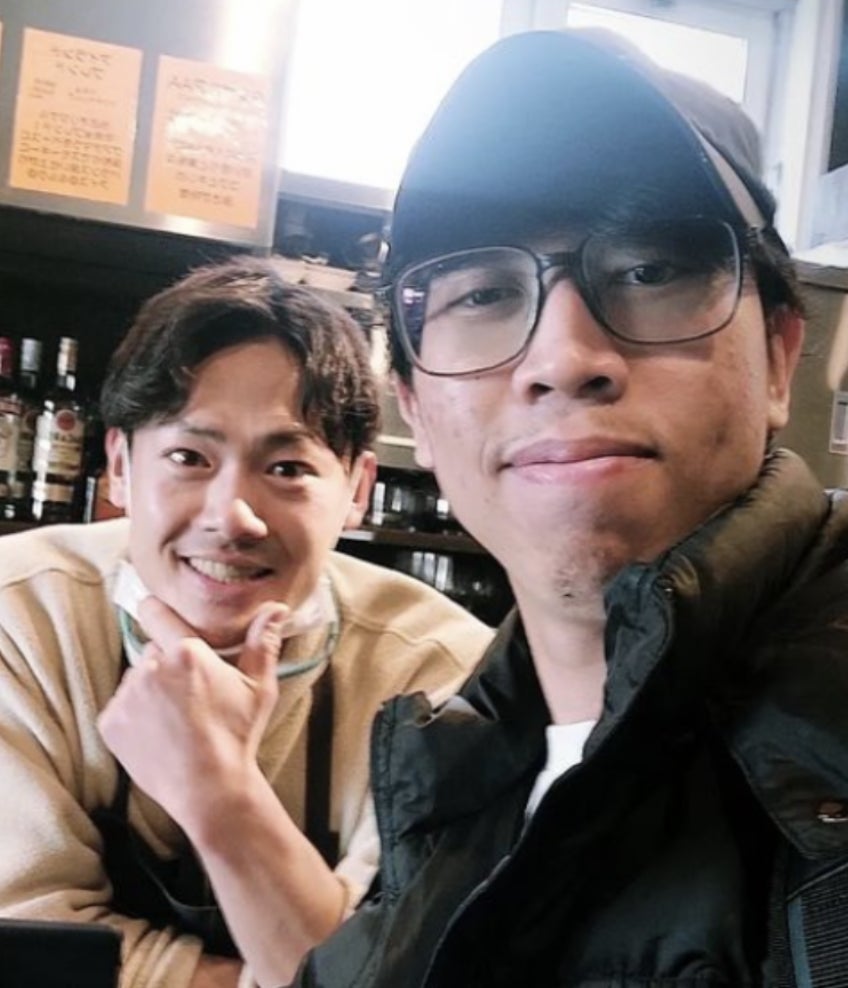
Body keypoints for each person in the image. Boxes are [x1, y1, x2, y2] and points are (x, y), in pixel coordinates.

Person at [289, 30, 848, 988]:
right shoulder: (442, 807)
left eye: (649, 271)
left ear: (779, 358)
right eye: (483, 294)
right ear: (414, 407)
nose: (561, 357)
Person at [0, 256, 493, 988]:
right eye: (189, 457)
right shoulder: (19, 617)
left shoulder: (442, 673)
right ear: (120, 467)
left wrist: (221, 792)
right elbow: (24, 948)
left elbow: (405, 975)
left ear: (357, 488)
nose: (233, 517)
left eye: (287, 469)